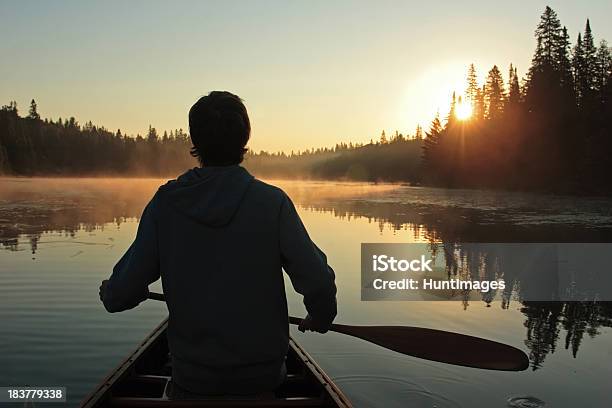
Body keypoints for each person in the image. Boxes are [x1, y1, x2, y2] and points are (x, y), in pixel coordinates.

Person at [98, 91, 337, 398]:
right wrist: (320, 316)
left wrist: (115, 292)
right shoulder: (272, 203)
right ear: (244, 138)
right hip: (262, 379)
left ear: (195, 140)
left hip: (193, 381)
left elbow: (120, 295)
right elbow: (317, 280)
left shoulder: (165, 204)